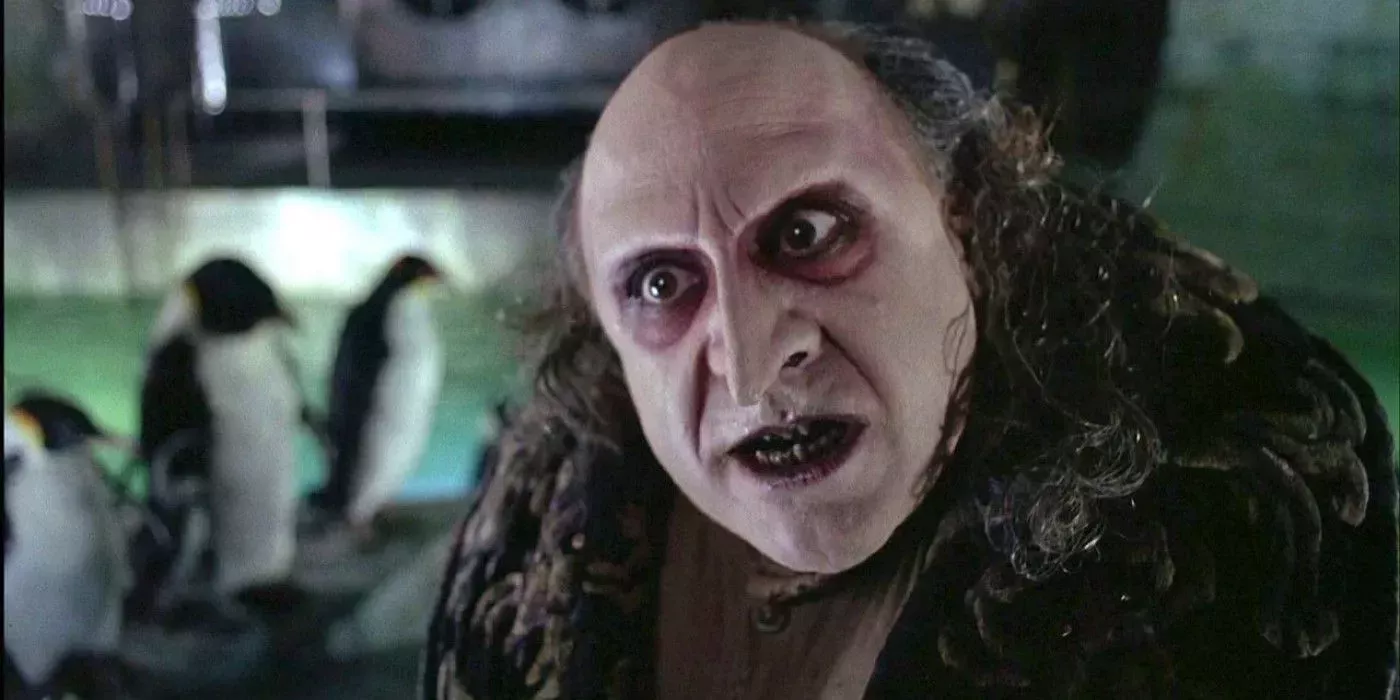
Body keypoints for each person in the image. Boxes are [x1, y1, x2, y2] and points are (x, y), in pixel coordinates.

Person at [422, 21, 1398, 699]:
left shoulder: (1236, 512)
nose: (753, 368)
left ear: (964, 215)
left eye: (808, 233)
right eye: (661, 283)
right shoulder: (533, 529)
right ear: (600, 333)